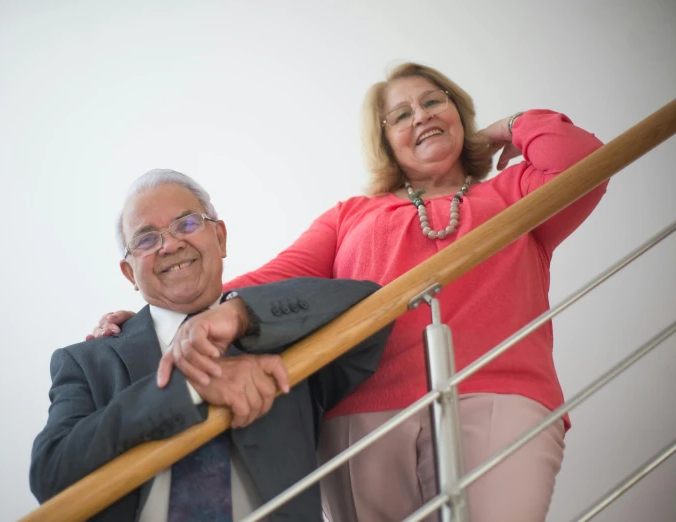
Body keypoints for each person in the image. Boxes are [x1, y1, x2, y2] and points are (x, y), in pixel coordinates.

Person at [90, 63, 608, 522]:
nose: (420, 116)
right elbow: (258, 285)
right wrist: (149, 314)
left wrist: (507, 127)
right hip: (362, 418)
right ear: (385, 140)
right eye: (400, 114)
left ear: (458, 111)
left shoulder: (514, 193)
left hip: (498, 393)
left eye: (433, 101)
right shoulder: (350, 217)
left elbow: (583, 159)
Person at [31, 169, 392, 522]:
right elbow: (50, 475)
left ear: (219, 237)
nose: (170, 244)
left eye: (186, 224)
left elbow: (374, 311)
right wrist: (190, 387)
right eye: (146, 239)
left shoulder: (289, 337)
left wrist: (241, 314)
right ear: (129, 274)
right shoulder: (87, 360)